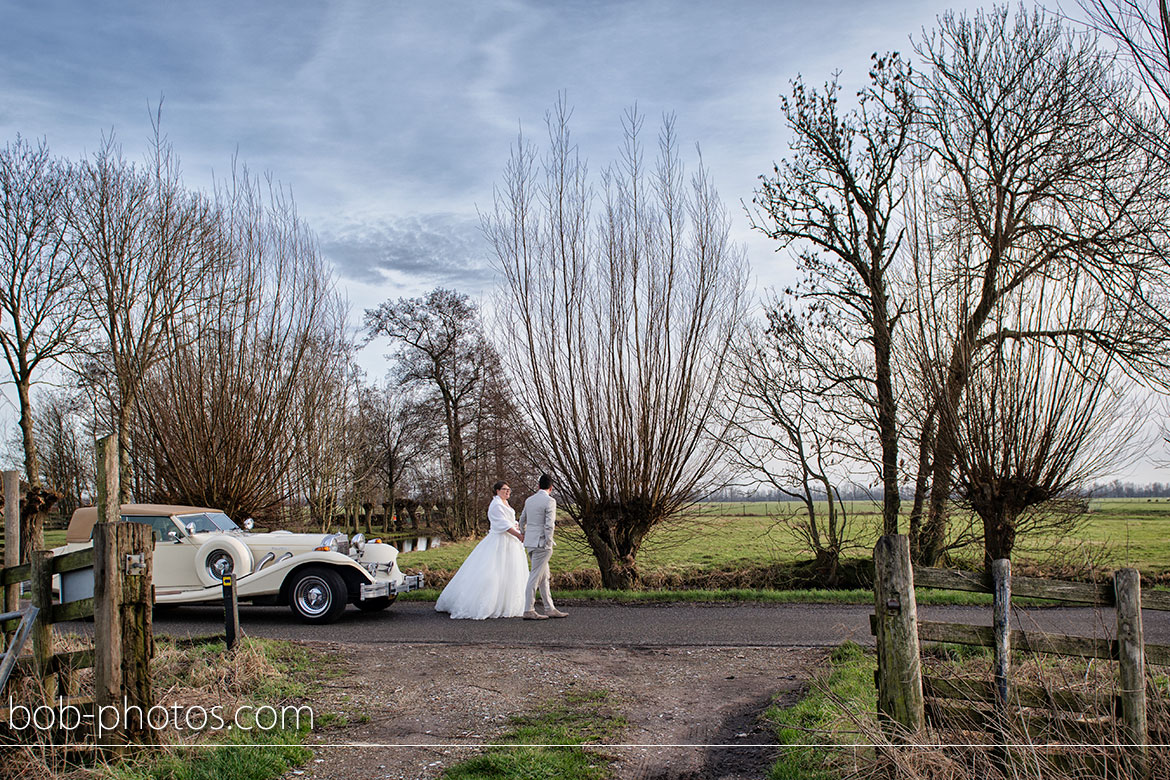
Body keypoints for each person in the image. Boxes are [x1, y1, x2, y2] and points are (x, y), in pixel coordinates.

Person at [435, 482, 529, 619]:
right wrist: (518, 535)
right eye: (504, 489)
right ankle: (488, 603)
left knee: (510, 572)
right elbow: (502, 524)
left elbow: (510, 521)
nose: (507, 491)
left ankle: (507, 602)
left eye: (509, 489)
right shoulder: (496, 505)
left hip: (510, 542)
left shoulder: (504, 503)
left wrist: (518, 527)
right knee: (494, 571)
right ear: (497, 491)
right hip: (500, 541)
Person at [519, 473, 568, 619]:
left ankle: (549, 608)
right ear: (551, 488)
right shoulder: (550, 501)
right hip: (542, 543)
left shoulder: (529, 500)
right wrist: (548, 542)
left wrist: (524, 534)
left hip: (530, 542)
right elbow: (549, 525)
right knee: (535, 576)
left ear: (538, 486)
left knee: (544, 576)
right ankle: (528, 609)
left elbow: (522, 520)